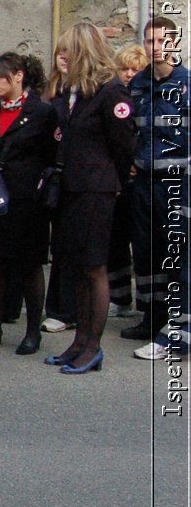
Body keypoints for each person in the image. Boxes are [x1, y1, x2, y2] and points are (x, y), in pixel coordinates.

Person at [43, 22, 135, 374]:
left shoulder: (110, 92)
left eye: (68, 49)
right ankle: (78, 341)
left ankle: (93, 346)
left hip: (96, 190)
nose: (62, 56)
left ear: (84, 51)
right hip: (70, 188)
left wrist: (110, 180)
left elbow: (123, 144)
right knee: (76, 266)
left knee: (94, 267)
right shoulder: (76, 90)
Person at [0, 51, 56, 357]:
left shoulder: (42, 113)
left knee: (30, 266)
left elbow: (49, 154)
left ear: (18, 76)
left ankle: (32, 332)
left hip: (28, 200)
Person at [128, 16, 189, 358]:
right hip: (143, 185)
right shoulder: (137, 84)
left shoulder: (186, 84)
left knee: (175, 257)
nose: (155, 48)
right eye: (149, 41)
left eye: (161, 41)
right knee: (147, 254)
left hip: (176, 184)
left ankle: (175, 330)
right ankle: (152, 320)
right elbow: (127, 133)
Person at [108, 44, 149, 318]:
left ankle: (145, 303)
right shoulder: (113, 97)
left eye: (135, 69)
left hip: (141, 180)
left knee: (143, 243)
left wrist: (136, 162)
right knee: (115, 240)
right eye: (124, 69)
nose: (129, 74)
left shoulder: (147, 99)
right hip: (118, 180)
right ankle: (119, 298)